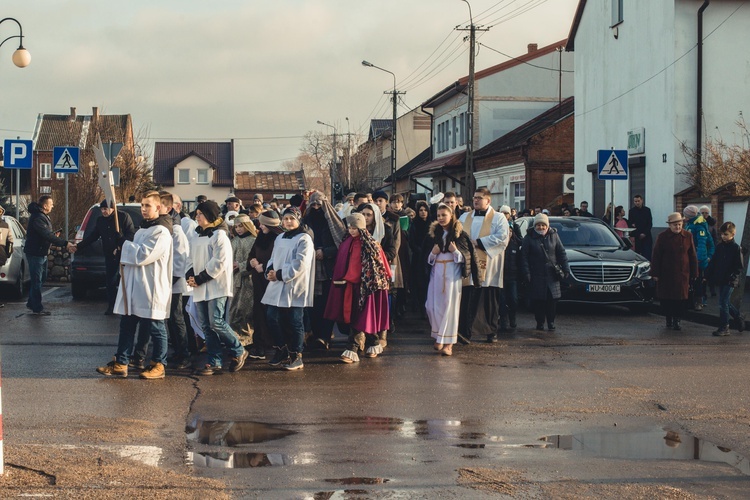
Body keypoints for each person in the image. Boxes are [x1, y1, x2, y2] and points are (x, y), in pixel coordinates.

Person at [95, 191, 173, 379]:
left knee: (155, 326)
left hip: (150, 286)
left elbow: (144, 255)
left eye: (148, 206)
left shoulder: (161, 231)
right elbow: (130, 253)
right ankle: (121, 362)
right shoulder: (142, 230)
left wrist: (124, 242)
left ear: (158, 208)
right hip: (134, 285)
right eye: (142, 205)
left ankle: (159, 364)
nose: (144, 209)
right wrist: (121, 246)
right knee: (127, 324)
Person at [187, 200, 249, 376]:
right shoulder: (196, 235)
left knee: (216, 322)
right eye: (197, 214)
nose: (197, 217)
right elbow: (189, 258)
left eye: (200, 214)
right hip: (199, 286)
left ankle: (238, 349)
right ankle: (214, 361)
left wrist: (200, 278)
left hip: (216, 286)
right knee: (206, 326)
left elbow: (219, 261)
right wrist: (189, 275)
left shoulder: (219, 235)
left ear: (209, 215)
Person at [324, 213, 391, 363]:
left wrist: (369, 283)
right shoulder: (346, 242)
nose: (351, 230)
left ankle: (352, 348)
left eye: (354, 227)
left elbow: (379, 267)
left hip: (367, 288)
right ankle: (373, 343)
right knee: (358, 316)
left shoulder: (370, 244)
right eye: (349, 227)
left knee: (361, 316)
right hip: (351, 286)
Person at [261, 206, 315, 371]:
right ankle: (281, 349)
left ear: (298, 220)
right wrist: (269, 271)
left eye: (292, 218)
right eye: (285, 219)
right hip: (276, 282)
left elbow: (300, 264)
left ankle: (296, 355)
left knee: (295, 321)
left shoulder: (304, 238)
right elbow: (273, 257)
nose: (288, 221)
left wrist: (280, 274)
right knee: (272, 317)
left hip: (295, 285)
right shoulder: (280, 237)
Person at [424, 204, 478, 356]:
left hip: (452, 275)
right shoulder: (434, 234)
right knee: (431, 306)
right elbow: (426, 258)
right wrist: (433, 254)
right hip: (437, 273)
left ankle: (448, 343)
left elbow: (466, 258)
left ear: (451, 215)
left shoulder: (460, 235)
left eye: (443, 215)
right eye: (438, 215)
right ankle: (438, 334)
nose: (440, 218)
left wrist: (456, 252)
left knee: (450, 307)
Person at [458, 188, 509, 343]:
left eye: (480, 198)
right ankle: (465, 331)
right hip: (468, 266)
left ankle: (490, 331)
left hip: (489, 266)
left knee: (489, 299)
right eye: (474, 198)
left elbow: (502, 237)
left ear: (488, 200)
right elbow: (456, 234)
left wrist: (478, 242)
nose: (476, 200)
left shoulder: (499, 218)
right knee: (468, 299)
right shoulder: (464, 217)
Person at [302, 191, 347, 349]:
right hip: (310, 268)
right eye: (313, 204)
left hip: (329, 268)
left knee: (328, 303)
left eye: (318, 205)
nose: (315, 207)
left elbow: (342, 244)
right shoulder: (306, 221)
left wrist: (325, 252)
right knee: (312, 304)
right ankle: (315, 333)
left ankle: (325, 336)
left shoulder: (335, 223)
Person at [74, 200, 136, 314]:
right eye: (102, 209)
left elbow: (131, 234)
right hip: (109, 255)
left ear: (112, 208)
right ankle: (112, 306)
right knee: (110, 281)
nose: (104, 211)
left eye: (106, 209)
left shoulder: (123, 217)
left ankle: (128, 306)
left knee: (126, 280)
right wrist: (78, 246)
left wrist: (121, 243)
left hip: (124, 254)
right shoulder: (100, 220)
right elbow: (93, 236)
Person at [24, 195, 76, 315]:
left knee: (42, 278)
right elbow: (46, 234)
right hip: (35, 253)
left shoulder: (42, 216)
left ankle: (31, 302)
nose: (53, 205)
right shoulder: (38, 218)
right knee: (37, 280)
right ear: (45, 205)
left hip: (41, 252)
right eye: (51, 204)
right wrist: (65, 243)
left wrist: (53, 236)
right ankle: (37, 308)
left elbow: (45, 235)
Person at [520, 213, 569, 331]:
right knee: (539, 301)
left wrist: (566, 269)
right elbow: (524, 257)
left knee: (552, 301)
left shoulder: (554, 236)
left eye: (543, 225)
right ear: (535, 226)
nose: (540, 227)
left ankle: (551, 322)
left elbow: (561, 253)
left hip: (552, 274)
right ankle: (540, 322)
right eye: (538, 225)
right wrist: (526, 273)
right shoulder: (528, 238)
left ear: (547, 225)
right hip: (536, 274)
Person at [651, 212, 698, 331]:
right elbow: (656, 255)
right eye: (675, 225)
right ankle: (668, 319)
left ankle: (677, 320)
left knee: (680, 299)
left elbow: (692, 255)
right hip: (666, 273)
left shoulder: (688, 236)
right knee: (667, 299)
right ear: (669, 225)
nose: (677, 227)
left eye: (679, 224)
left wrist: (694, 273)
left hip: (682, 274)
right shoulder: (662, 237)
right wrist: (655, 273)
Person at [247, 211, 284, 359]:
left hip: (271, 280)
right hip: (258, 281)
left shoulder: (278, 238)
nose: (260, 226)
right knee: (259, 313)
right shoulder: (260, 237)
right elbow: (252, 253)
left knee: (273, 314)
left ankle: (276, 344)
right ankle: (259, 345)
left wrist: (265, 266)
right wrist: (252, 261)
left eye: (263, 223)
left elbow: (278, 257)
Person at [705, 222, 745, 336]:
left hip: (731, 280)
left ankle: (724, 327)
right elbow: (713, 262)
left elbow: (739, 266)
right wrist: (706, 275)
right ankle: (738, 316)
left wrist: (732, 277)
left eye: (726, 234)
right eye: (722, 234)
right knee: (725, 302)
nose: (723, 236)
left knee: (722, 303)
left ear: (732, 234)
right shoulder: (720, 247)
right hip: (721, 278)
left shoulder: (736, 248)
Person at [228, 214, 258, 346]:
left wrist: (240, 265)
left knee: (246, 311)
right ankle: (236, 339)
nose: (239, 229)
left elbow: (254, 260)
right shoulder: (233, 241)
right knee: (234, 310)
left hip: (248, 281)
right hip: (234, 280)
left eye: (241, 226)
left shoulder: (253, 240)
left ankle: (247, 339)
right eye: (236, 226)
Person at [683, 205, 715, 310]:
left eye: (685, 215)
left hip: (697, 261)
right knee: (690, 281)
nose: (684, 217)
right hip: (689, 259)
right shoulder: (690, 224)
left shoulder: (699, 227)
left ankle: (698, 302)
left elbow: (702, 245)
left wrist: (699, 260)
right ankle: (689, 301)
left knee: (698, 282)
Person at [499, 205, 522, 331]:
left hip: (513, 277)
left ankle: (512, 317)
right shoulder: (499, 245)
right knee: (502, 301)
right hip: (501, 277)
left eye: (510, 231)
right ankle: (503, 320)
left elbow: (520, 260)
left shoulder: (515, 245)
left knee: (513, 299)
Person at [408, 200, 432, 315]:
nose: (423, 212)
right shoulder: (414, 223)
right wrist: (419, 250)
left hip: (430, 256)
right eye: (421, 210)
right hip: (418, 257)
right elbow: (411, 241)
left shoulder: (432, 224)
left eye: (425, 210)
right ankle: (418, 306)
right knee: (418, 281)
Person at [629, 195, 653, 260]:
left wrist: (644, 233)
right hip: (637, 237)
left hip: (646, 236)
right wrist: (638, 233)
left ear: (642, 200)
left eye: (638, 201)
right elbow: (631, 224)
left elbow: (649, 223)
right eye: (635, 201)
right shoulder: (631, 211)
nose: (637, 203)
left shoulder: (647, 210)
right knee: (637, 256)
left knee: (647, 255)